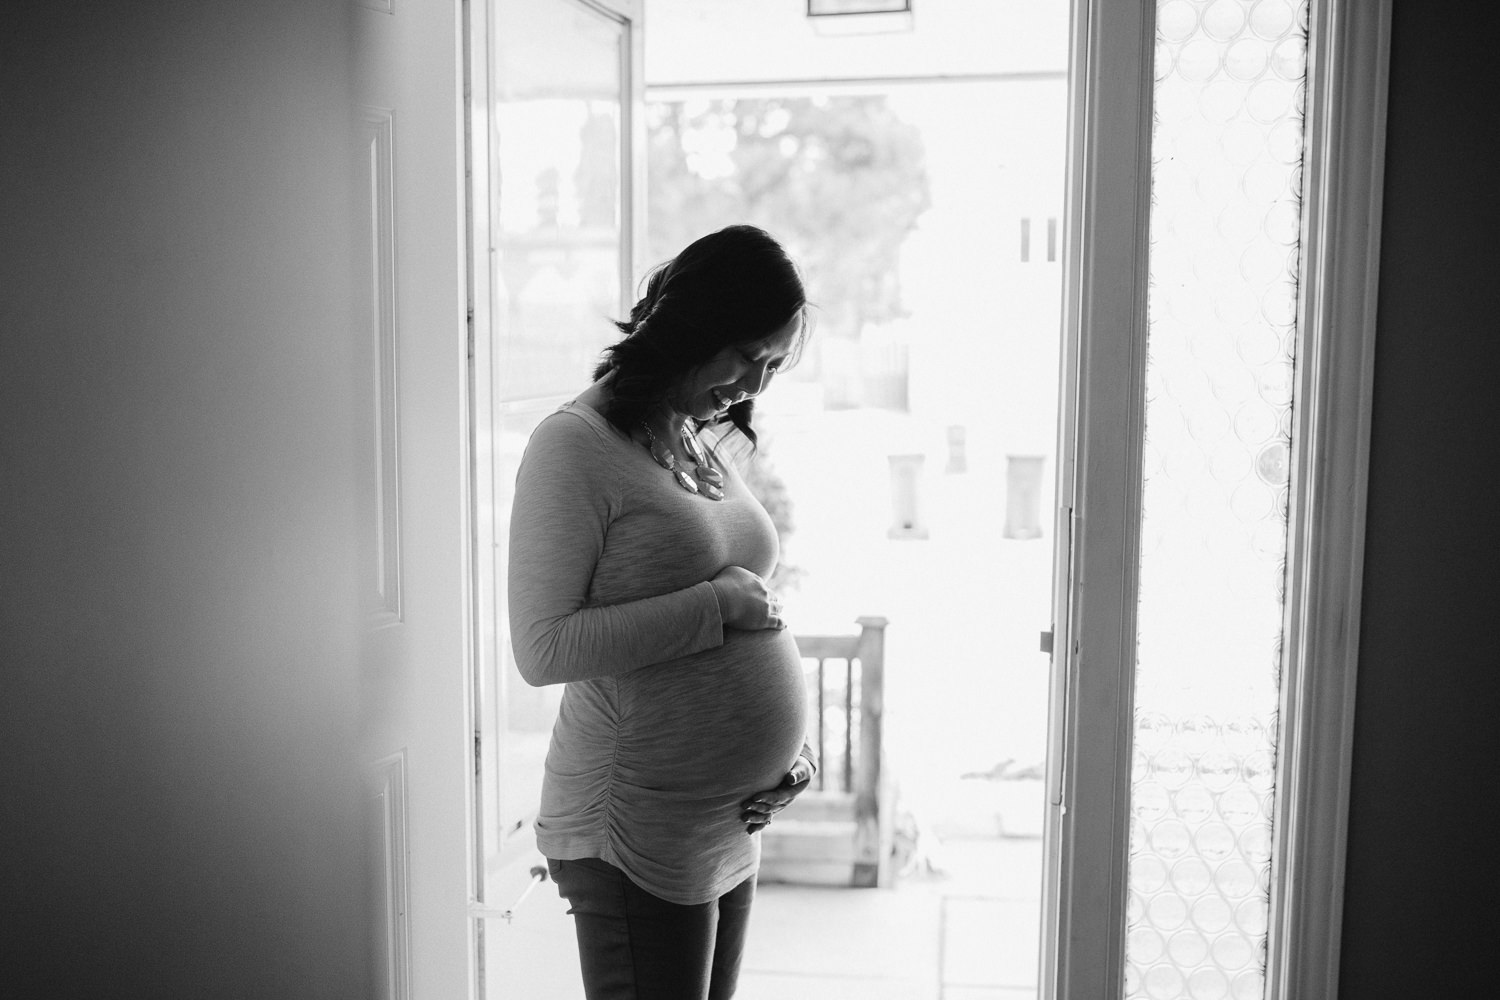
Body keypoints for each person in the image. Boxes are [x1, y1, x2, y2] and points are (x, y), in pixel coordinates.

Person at [507, 225, 818, 1000]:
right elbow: (543, 649)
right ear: (694, 326)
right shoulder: (572, 448)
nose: (755, 387)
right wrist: (714, 607)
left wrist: (784, 754)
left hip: (726, 820)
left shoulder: (686, 434)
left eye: (774, 365)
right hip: (635, 826)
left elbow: (746, 598)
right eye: (748, 357)